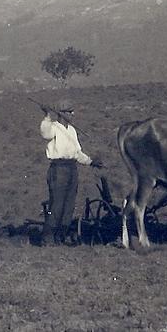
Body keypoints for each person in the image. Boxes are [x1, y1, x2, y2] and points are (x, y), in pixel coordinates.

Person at [38, 99, 102, 246]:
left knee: (69, 205)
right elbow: (44, 133)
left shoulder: (72, 131)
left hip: (72, 169)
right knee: (57, 204)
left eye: (72, 111)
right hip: (58, 169)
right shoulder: (52, 127)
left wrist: (91, 161)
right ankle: (48, 238)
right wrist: (47, 115)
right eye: (69, 112)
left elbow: (77, 153)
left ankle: (61, 236)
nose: (73, 114)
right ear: (61, 114)